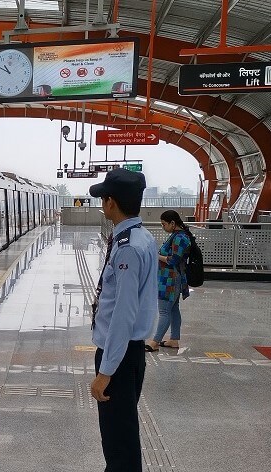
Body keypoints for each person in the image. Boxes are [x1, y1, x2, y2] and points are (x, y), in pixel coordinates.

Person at [88, 168, 158, 472]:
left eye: (104, 198)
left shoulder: (127, 247)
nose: (102, 204)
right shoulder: (143, 237)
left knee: (119, 444)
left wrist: (106, 372)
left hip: (120, 355)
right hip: (131, 353)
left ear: (110, 202)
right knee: (122, 436)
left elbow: (123, 314)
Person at [145, 210, 191, 352]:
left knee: (164, 311)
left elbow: (173, 260)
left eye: (164, 224)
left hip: (170, 280)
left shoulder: (179, 238)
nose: (163, 227)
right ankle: (174, 340)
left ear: (172, 223)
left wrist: (157, 256)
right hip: (170, 278)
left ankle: (155, 342)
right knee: (173, 309)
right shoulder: (177, 236)